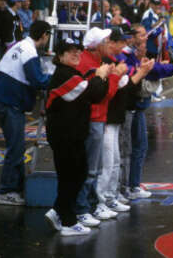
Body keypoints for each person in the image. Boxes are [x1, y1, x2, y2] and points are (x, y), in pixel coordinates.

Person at [117, 24, 173, 199]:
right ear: (131, 38)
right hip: (130, 109)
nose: (146, 38)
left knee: (136, 148)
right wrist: (145, 69)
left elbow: (155, 68)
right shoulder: (126, 57)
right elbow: (144, 73)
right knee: (127, 150)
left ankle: (130, 186)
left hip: (136, 109)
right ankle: (126, 188)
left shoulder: (135, 56)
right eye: (142, 35)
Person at [44, 38, 111, 236]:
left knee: (77, 174)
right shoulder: (64, 75)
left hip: (73, 135)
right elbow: (92, 92)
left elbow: (94, 95)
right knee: (70, 177)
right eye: (70, 51)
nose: (76, 54)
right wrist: (100, 76)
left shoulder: (72, 73)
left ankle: (58, 212)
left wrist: (100, 76)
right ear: (59, 56)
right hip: (64, 136)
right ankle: (68, 221)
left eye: (78, 51)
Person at [0, 20, 52, 205]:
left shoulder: (20, 46)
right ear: (44, 35)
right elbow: (37, 80)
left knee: (16, 146)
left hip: (6, 101)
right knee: (16, 148)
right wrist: (56, 78)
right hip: (11, 104)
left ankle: (16, 187)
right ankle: (7, 191)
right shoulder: (28, 51)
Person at [97, 28, 154, 213]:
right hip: (104, 119)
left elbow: (125, 86)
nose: (123, 45)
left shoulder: (115, 61)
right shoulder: (104, 63)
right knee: (103, 165)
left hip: (115, 118)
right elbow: (106, 92)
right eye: (119, 42)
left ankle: (110, 197)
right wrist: (135, 74)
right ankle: (98, 202)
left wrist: (140, 72)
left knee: (114, 160)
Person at [75, 27, 126, 226]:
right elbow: (103, 94)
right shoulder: (89, 63)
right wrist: (113, 76)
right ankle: (83, 208)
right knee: (90, 168)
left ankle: (91, 205)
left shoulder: (98, 61)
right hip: (93, 118)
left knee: (94, 167)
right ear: (97, 45)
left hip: (99, 117)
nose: (110, 44)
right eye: (106, 41)